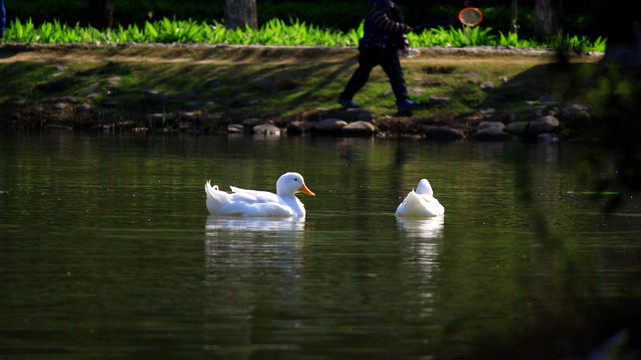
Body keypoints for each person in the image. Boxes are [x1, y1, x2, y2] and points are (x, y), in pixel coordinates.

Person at [338, 0, 419, 113]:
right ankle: (345, 97)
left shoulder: (394, 8)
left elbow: (399, 31)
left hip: (389, 49)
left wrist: (404, 44)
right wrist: (403, 28)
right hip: (372, 48)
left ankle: (403, 102)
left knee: (397, 75)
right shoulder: (375, 6)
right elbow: (385, 24)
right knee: (362, 74)